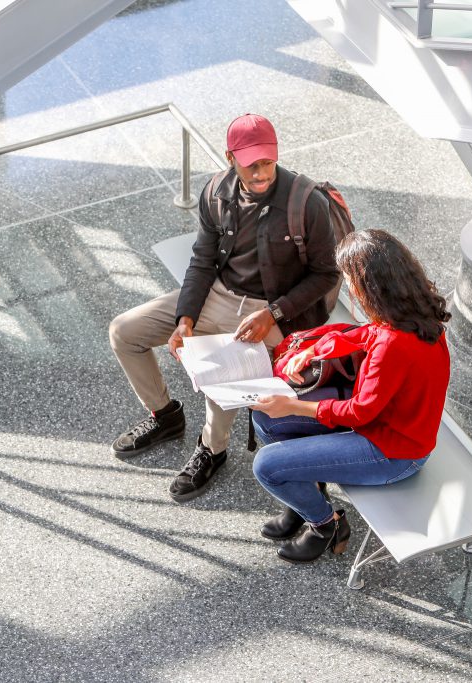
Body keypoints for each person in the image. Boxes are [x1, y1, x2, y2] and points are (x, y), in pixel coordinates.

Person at [108, 113, 340, 502]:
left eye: (268, 161)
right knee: (123, 332)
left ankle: (211, 450)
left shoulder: (306, 203)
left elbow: (326, 275)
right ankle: (165, 416)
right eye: (251, 164)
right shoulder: (216, 192)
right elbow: (202, 260)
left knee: (222, 368)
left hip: (276, 309)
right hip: (219, 292)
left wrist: (273, 314)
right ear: (231, 157)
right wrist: (185, 319)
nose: (262, 172)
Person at [249, 228, 451, 563]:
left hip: (393, 452)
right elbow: (369, 334)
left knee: (266, 466)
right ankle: (306, 497)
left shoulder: (394, 345)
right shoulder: (414, 313)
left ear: (369, 286)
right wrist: (316, 350)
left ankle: (325, 524)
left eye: (349, 280)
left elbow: (359, 413)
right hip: (389, 428)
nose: (350, 289)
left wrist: (293, 405)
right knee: (266, 419)